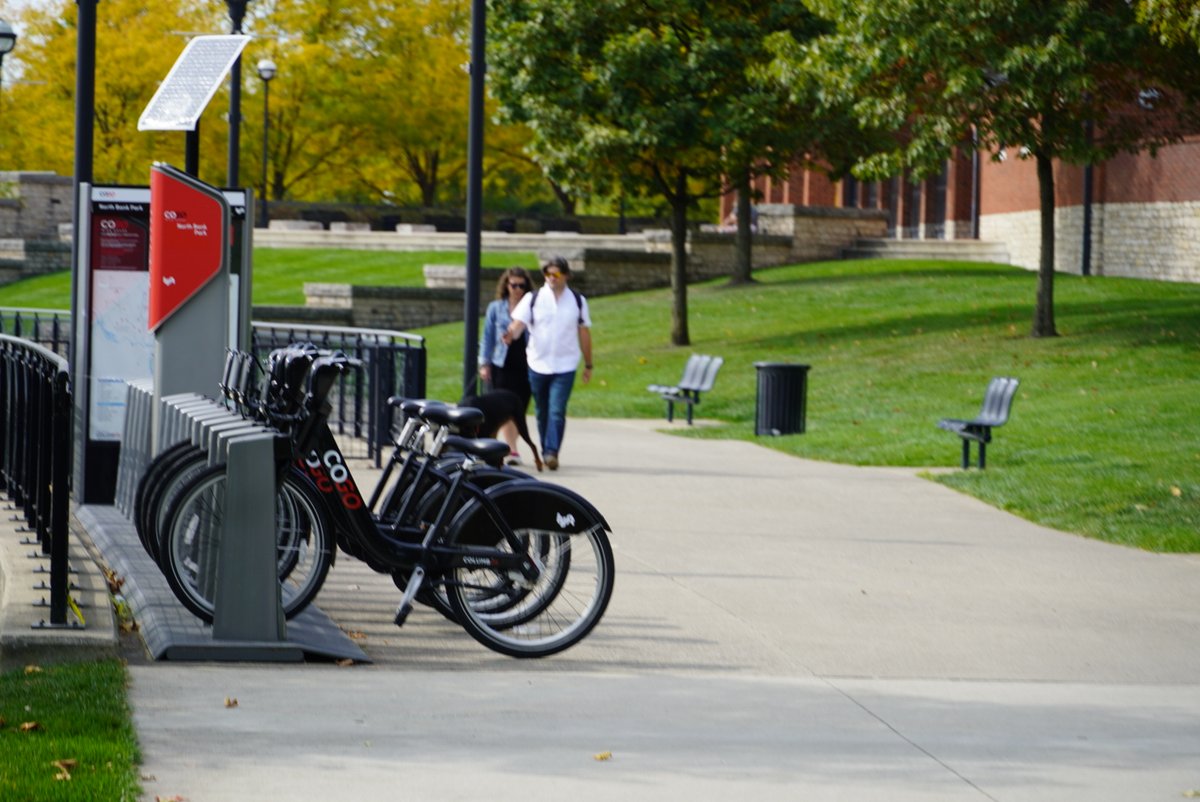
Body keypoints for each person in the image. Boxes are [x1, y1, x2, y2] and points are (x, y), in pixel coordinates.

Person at [503, 255, 592, 471]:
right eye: (548, 274)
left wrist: (589, 364)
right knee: (542, 411)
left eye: (556, 274)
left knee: (556, 410)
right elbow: (518, 323)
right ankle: (546, 450)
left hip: (566, 365)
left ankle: (552, 452)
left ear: (566, 275)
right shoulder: (533, 298)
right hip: (537, 363)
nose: (551, 278)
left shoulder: (577, 301)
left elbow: (584, 333)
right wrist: (510, 334)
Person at [478, 266, 535, 464]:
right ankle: (511, 449)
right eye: (514, 285)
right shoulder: (496, 307)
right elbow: (487, 338)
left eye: (522, 285)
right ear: (506, 285)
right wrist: (484, 363)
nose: (518, 289)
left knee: (519, 407)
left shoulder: (532, 307)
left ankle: (510, 447)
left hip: (526, 365)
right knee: (502, 409)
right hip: (500, 365)